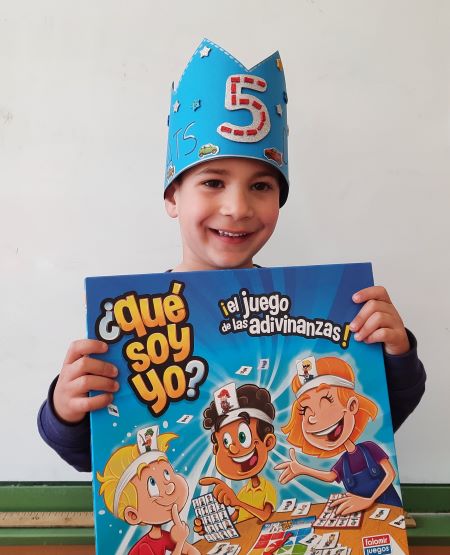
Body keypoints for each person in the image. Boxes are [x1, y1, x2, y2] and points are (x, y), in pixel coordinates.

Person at [37, 38, 426, 474]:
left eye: (260, 186)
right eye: (213, 182)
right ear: (173, 197)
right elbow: (97, 456)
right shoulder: (132, 322)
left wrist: (395, 355)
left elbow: (376, 421)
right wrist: (64, 410)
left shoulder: (323, 310)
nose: (238, 208)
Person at [274, 356, 402, 516]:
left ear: (352, 405)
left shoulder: (370, 448)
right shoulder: (344, 461)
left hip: (390, 511)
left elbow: (390, 474)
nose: (312, 418)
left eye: (326, 400)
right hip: (364, 516)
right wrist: (301, 469)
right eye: (305, 410)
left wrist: (370, 500)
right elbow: (330, 477)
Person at [97, 426, 198, 555]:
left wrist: (181, 541)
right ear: (133, 515)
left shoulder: (163, 536)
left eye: (167, 474)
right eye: (152, 484)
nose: (170, 487)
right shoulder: (144, 546)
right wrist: (180, 541)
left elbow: (193, 551)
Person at [196, 383, 277, 527]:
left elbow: (265, 515)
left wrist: (238, 502)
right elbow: (235, 517)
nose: (233, 449)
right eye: (226, 442)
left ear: (268, 442)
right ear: (217, 449)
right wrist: (210, 525)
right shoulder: (243, 493)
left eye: (243, 437)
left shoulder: (267, 488)